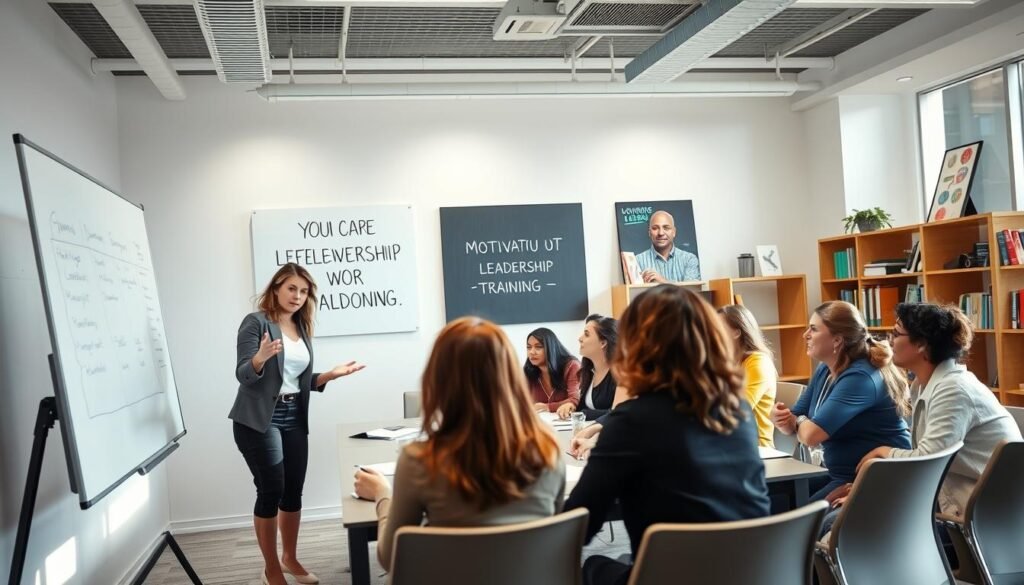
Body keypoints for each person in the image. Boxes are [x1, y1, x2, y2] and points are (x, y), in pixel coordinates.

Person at [565, 285, 770, 585]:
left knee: (589, 566)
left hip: (670, 574)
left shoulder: (631, 422)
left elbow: (579, 525)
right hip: (751, 573)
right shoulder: (735, 409)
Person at [353, 317, 566, 570]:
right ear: (509, 375)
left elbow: (391, 558)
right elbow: (552, 532)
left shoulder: (420, 460)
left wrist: (382, 494)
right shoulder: (547, 447)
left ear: (439, 379)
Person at [230, 262, 365, 585]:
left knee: (293, 492)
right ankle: (271, 567)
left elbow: (294, 381)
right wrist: (260, 357)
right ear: (276, 287)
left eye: (304, 292)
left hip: (294, 416)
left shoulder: (301, 327)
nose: (298, 296)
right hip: (259, 420)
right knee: (271, 489)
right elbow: (244, 374)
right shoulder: (256, 323)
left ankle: (290, 557)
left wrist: (328, 376)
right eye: (292, 288)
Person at [856, 303, 1022, 517]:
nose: (889, 341)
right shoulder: (922, 384)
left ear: (922, 345)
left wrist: (884, 452)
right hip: (949, 499)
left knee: (847, 527)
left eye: (896, 334)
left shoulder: (954, 390)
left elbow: (927, 461)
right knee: (845, 518)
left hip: (986, 513)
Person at [771, 300, 911, 505]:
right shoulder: (825, 369)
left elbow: (810, 436)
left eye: (813, 329)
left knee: (793, 515)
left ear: (837, 341)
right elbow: (792, 422)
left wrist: (797, 421)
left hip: (872, 478)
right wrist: (781, 418)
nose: (805, 335)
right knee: (773, 497)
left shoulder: (861, 377)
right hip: (839, 473)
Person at [718, 304, 778, 447]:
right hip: (729, 444)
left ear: (736, 332)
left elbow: (738, 410)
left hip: (755, 448)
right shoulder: (728, 362)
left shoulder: (758, 362)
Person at [556, 314, 618, 421]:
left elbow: (616, 413)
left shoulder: (620, 373)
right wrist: (572, 407)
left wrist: (583, 414)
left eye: (586, 334)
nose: (580, 338)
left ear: (603, 343)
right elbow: (583, 408)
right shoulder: (589, 372)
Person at [524, 327, 582, 413]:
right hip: (543, 422)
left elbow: (575, 400)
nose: (532, 352)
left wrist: (547, 407)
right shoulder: (528, 372)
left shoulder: (572, 366)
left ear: (551, 348)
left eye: (538, 347)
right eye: (529, 347)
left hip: (569, 422)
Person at [633, 210, 700, 283]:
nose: (661, 233)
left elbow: (691, 292)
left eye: (666, 228)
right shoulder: (637, 261)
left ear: (674, 232)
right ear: (649, 232)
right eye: (655, 228)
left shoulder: (689, 259)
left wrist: (662, 281)